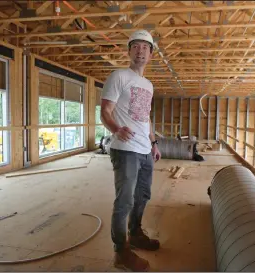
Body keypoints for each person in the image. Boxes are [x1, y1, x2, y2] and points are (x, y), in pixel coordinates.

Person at [100, 29, 161, 272]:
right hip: (125, 150)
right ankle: (121, 252)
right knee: (124, 201)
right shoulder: (119, 76)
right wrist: (116, 129)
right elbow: (105, 111)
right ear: (128, 51)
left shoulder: (148, 84)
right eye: (135, 46)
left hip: (145, 151)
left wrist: (154, 143)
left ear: (151, 54)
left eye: (145, 47)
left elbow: (145, 117)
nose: (140, 51)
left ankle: (135, 233)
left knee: (142, 196)